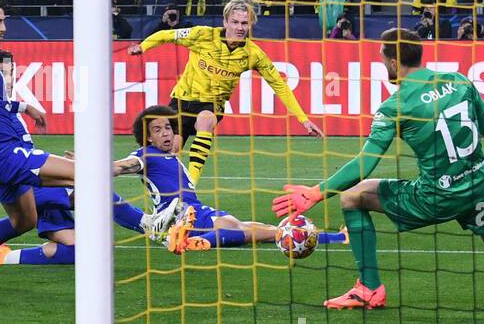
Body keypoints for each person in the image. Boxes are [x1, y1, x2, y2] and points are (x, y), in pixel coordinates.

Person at [272, 29, 484, 310]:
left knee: (352, 196)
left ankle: (369, 289)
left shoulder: (395, 106)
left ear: (393, 61)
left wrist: (317, 192)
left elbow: (366, 162)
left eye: (382, 57)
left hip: (436, 196)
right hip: (477, 186)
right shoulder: (460, 80)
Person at [0, 0, 133, 285]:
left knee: (24, 221)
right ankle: (140, 171)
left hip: (0, 157)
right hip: (4, 154)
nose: (3, 28)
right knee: (87, 174)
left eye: (4, 21)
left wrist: (26, 107)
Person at [126, 0, 322, 185]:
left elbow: (279, 85)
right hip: (182, 99)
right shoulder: (203, 35)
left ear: (250, 24)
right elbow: (166, 35)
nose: (239, 28)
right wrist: (143, 47)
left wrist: (303, 119)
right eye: (235, 22)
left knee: (205, 119)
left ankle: (191, 183)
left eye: (244, 23)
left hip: (212, 104)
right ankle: (166, 197)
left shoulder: (253, 54)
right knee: (171, 151)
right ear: (225, 21)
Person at [130, 105, 347, 254]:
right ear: (147, 137)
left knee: (256, 229)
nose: (166, 133)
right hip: (185, 215)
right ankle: (201, 241)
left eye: (168, 128)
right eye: (158, 130)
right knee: (241, 230)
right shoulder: (146, 155)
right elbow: (124, 165)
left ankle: (334, 237)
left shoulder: (164, 156)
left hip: (191, 212)